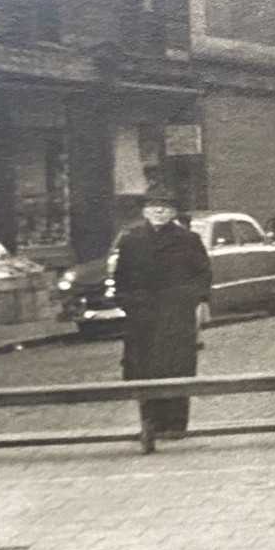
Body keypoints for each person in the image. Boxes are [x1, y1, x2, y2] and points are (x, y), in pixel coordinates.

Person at [113, 182, 213, 449]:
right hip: (142, 319)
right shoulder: (131, 240)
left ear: (174, 212)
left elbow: (203, 274)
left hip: (175, 318)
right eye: (153, 205)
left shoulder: (188, 240)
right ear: (145, 211)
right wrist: (129, 304)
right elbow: (120, 279)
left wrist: (192, 299)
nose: (159, 210)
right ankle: (149, 424)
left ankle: (176, 425)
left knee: (176, 367)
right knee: (143, 369)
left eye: (165, 206)